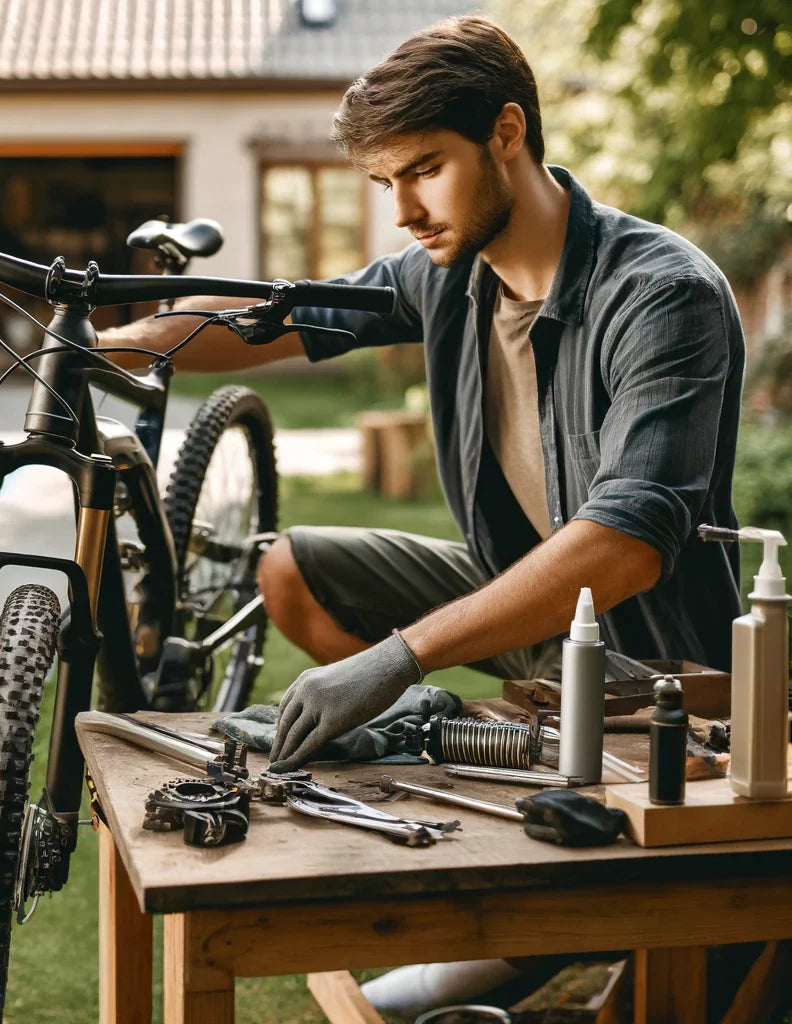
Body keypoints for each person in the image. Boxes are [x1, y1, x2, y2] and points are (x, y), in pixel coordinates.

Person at [101, 16, 744, 777]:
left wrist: (395, 658)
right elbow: (268, 321)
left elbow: (626, 547)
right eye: (386, 182)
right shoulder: (445, 273)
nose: (403, 210)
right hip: (525, 590)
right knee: (291, 569)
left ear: (507, 132)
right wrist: (101, 344)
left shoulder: (662, 293)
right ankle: (416, 725)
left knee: (422, 660)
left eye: (425, 169)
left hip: (657, 652)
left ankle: (421, 703)